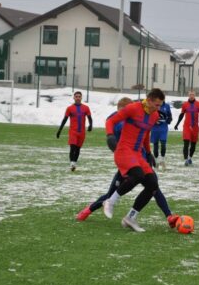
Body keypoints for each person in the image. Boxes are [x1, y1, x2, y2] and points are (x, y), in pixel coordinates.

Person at [76, 97, 179, 228]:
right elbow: (110, 125)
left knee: (154, 187)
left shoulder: (140, 117)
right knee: (111, 194)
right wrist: (112, 140)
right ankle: (87, 211)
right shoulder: (116, 120)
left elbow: (145, 134)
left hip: (140, 160)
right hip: (127, 163)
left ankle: (169, 216)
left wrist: (148, 153)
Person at [102, 88, 165, 232]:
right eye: (157, 104)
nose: (159, 108)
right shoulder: (132, 108)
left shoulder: (154, 115)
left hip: (137, 154)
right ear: (149, 100)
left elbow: (146, 133)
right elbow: (111, 121)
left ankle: (130, 217)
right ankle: (110, 201)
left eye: (160, 105)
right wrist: (110, 136)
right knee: (137, 175)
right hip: (123, 150)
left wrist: (148, 153)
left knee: (152, 184)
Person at [56, 91, 93, 171]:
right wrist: (59, 130)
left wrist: (90, 125)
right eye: (76, 96)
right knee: (72, 147)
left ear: (81, 98)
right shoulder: (69, 108)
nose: (78, 98)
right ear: (74, 98)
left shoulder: (86, 108)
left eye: (79, 96)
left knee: (78, 149)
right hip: (73, 132)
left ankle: (74, 163)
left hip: (82, 132)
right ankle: (72, 163)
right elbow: (64, 120)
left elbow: (90, 118)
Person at [174, 90, 199, 166]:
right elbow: (181, 115)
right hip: (187, 126)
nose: (191, 96)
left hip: (195, 127)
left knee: (193, 145)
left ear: (195, 95)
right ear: (188, 95)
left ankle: (190, 157)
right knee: (186, 143)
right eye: (190, 94)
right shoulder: (185, 104)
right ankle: (186, 159)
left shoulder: (198, 104)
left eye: (193, 94)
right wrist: (177, 124)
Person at [151, 99, 173, 170]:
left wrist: (169, 120)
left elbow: (169, 116)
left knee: (163, 144)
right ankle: (156, 161)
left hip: (163, 128)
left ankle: (162, 160)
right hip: (155, 128)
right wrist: (154, 121)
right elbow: (149, 115)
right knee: (155, 145)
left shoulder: (166, 106)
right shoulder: (153, 105)